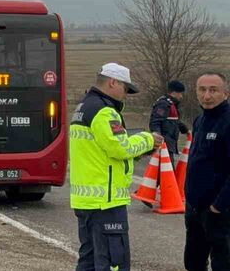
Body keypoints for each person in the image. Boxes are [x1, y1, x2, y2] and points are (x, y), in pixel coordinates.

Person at [70, 63, 164, 271]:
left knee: (89, 261)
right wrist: (148, 140)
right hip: (106, 201)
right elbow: (120, 148)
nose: (126, 95)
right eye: (125, 88)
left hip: (86, 201)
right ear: (113, 82)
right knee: (114, 261)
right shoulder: (104, 112)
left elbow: (102, 152)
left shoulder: (83, 108)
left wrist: (138, 152)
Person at [184, 72, 230, 270]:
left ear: (225, 93)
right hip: (194, 209)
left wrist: (218, 206)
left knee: (222, 263)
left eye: (213, 90)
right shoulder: (200, 120)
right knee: (193, 262)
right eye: (202, 90)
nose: (207, 96)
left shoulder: (227, 121)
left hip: (220, 211)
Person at [149, 80, 189, 159]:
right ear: (174, 92)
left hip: (170, 143)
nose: (181, 96)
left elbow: (175, 121)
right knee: (166, 165)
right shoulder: (163, 104)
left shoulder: (171, 105)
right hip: (164, 144)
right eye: (180, 93)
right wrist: (157, 136)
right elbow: (155, 121)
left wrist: (186, 130)